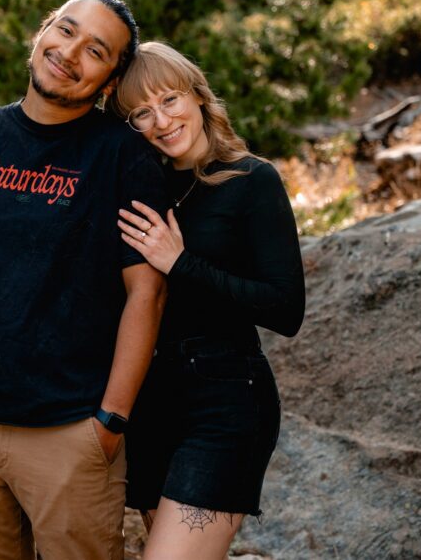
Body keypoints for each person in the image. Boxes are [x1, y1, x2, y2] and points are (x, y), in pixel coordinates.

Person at [0, 0, 168, 560]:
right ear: (42, 32)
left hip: (69, 434)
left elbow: (145, 293)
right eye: (66, 30)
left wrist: (109, 422)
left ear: (109, 80)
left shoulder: (123, 156)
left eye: (95, 50)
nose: (70, 53)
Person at [108, 42, 305, 560]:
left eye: (170, 100)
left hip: (225, 402)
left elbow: (286, 309)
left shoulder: (252, 181)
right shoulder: (138, 186)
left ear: (198, 96)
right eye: (141, 114)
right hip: (149, 405)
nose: (161, 121)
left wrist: (182, 264)